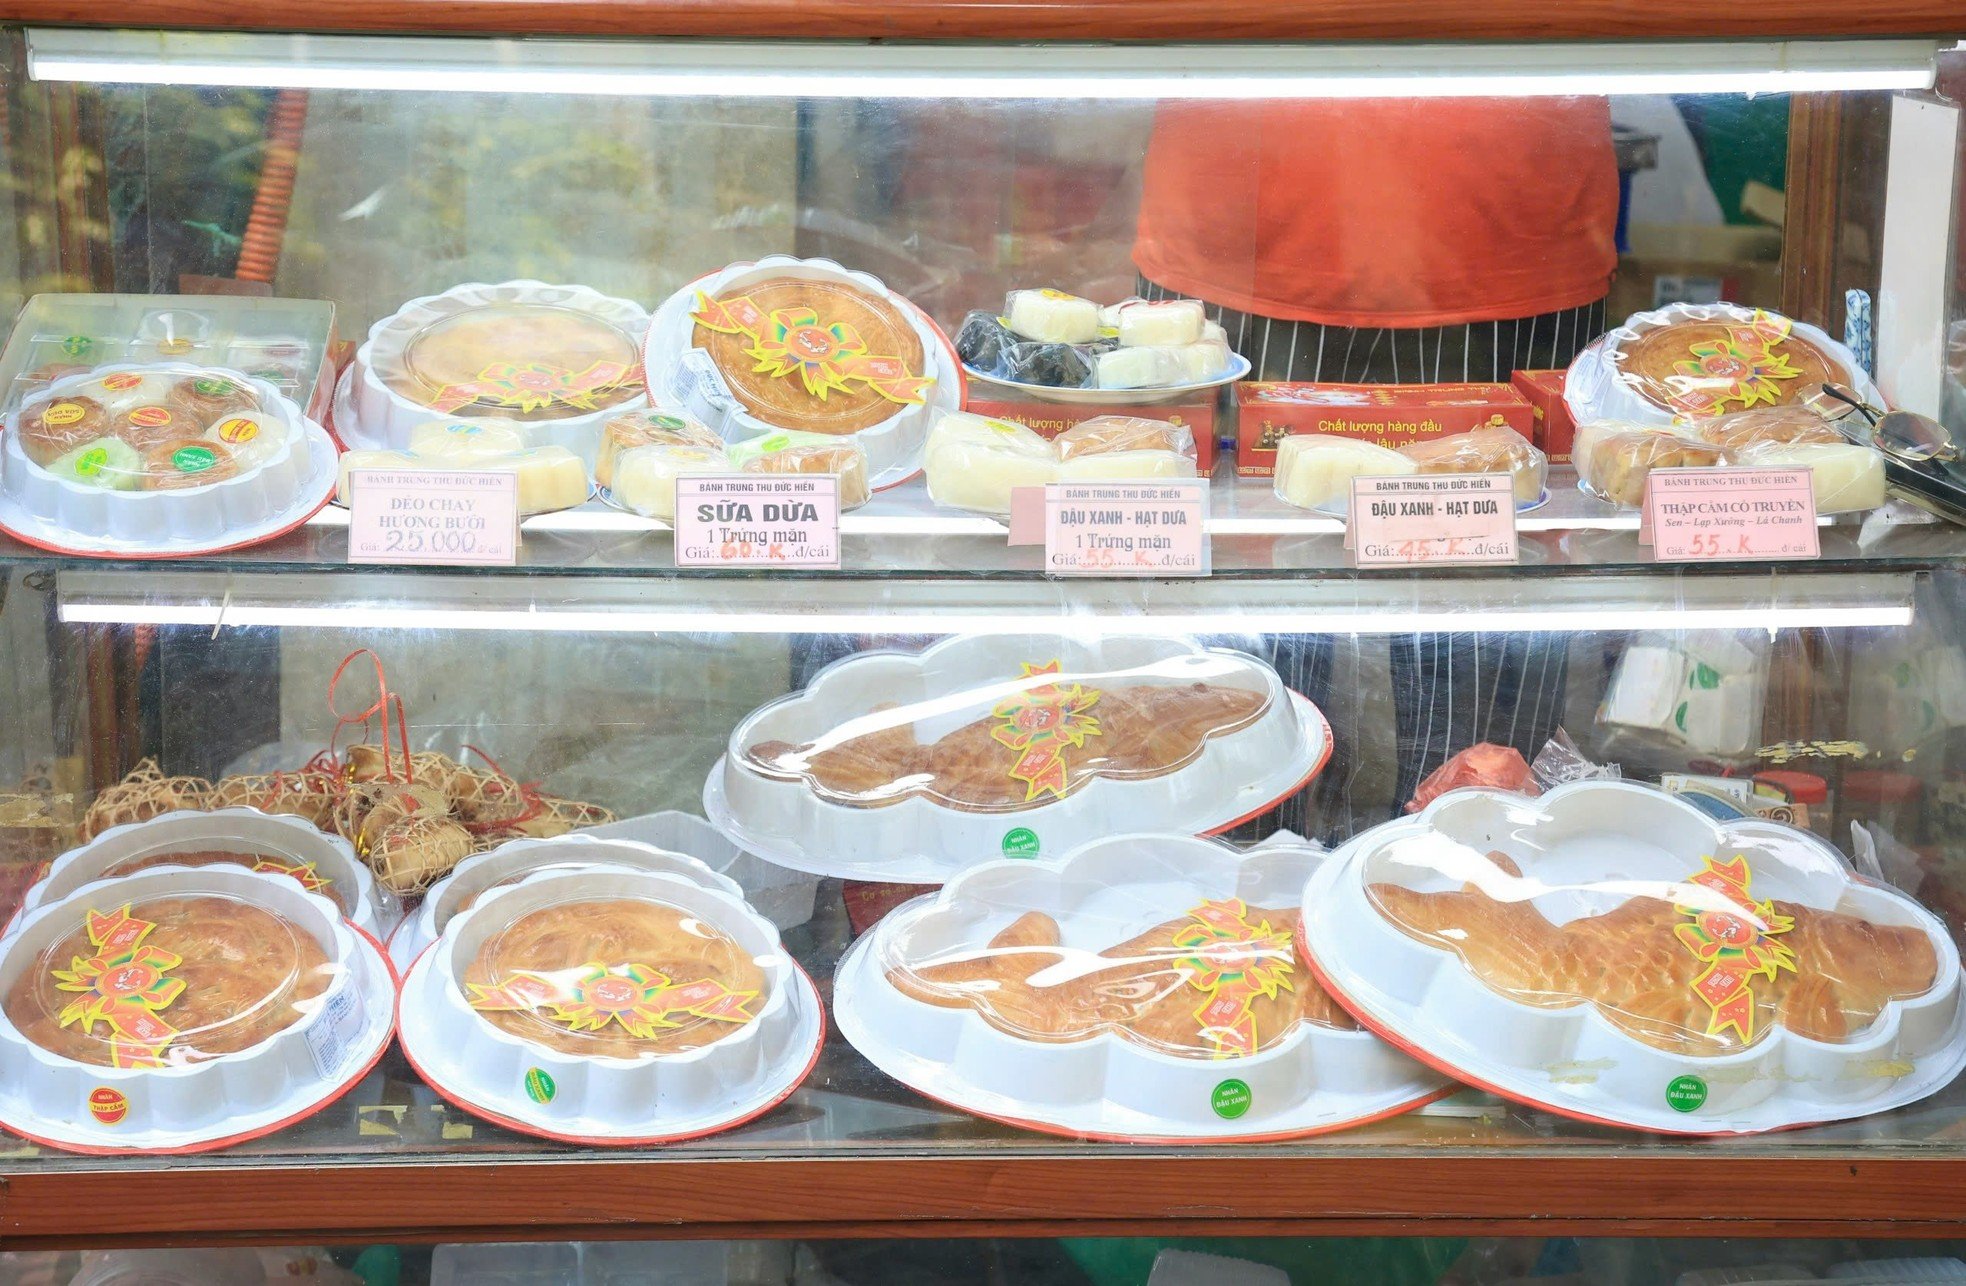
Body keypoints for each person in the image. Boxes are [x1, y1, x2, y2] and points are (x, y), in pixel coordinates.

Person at [1132, 96, 1622, 835]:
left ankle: (1483, 904)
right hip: (1240, 203)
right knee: (1229, 688)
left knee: (1487, 727)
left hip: (1504, 202)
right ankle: (1230, 911)